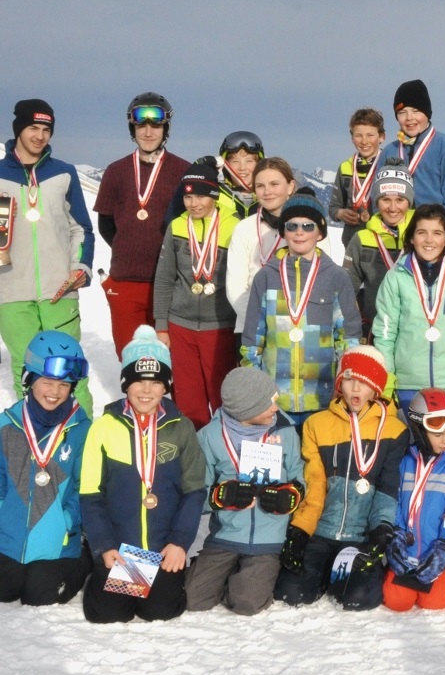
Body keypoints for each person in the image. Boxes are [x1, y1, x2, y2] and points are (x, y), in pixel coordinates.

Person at [79, 326, 206, 623]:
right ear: (126, 383)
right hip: (121, 549)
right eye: (138, 381)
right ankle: (95, 569)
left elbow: (194, 491)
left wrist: (179, 542)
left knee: (159, 612)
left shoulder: (181, 427)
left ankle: (159, 577)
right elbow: (90, 495)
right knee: (109, 614)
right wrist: (105, 546)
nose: (147, 390)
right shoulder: (104, 427)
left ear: (166, 386)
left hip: (163, 549)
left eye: (156, 381)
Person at [274, 346, 407, 611]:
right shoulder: (316, 425)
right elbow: (315, 483)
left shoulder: (394, 430)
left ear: (376, 389)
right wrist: (301, 531)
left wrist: (380, 531)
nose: (355, 388)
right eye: (349, 380)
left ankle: (347, 576)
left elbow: (387, 489)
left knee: (358, 598)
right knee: (291, 593)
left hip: (359, 536)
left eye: (364, 382)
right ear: (338, 383)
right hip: (322, 531)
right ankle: (320, 572)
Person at [0, 99, 95, 416]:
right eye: (33, 128)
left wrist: (80, 268)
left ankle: (81, 433)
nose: (40, 136)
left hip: (60, 289)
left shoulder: (63, 173)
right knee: (26, 368)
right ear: (18, 130)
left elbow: (81, 228)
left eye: (46, 129)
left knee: (70, 366)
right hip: (11, 291)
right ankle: (30, 436)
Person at [240, 190, 362, 434]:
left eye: (308, 226)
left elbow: (348, 338)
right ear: (283, 231)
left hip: (322, 396)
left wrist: (345, 384)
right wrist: (257, 391)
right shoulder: (266, 277)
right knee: (281, 454)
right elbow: (253, 339)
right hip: (275, 399)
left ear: (320, 232)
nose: (299, 232)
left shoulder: (336, 277)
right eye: (292, 225)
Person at [186, 367, 304, 615]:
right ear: (246, 410)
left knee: (247, 602)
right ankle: (222, 574)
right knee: (194, 599)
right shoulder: (209, 437)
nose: (275, 408)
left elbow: (300, 475)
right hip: (226, 534)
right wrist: (220, 496)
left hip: (268, 538)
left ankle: (252, 580)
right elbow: (195, 493)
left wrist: (292, 494)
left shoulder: (285, 431)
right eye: (269, 404)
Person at [371, 204, 445, 423]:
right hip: (408, 385)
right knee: (410, 443)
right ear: (411, 238)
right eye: (421, 232)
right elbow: (385, 333)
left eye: (437, 233)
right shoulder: (396, 277)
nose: (429, 240)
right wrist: (386, 378)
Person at [93, 92, 190, 357]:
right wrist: (128, 248)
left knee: (169, 358)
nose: (148, 133)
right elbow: (106, 225)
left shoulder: (183, 170)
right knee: (131, 356)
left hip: (171, 283)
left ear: (166, 129)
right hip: (126, 281)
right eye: (141, 126)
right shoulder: (116, 171)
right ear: (132, 129)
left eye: (156, 126)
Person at [0, 332, 92, 606]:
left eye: (64, 384)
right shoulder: (6, 426)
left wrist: (65, 521)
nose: (55, 392)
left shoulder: (82, 431)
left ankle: (86, 559)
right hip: (9, 539)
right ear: (29, 379)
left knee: (39, 595)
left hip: (58, 541)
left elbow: (86, 488)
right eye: (47, 381)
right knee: (4, 590)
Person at [152, 161, 241, 430]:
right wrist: (161, 325)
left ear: (215, 195)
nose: (194, 204)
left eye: (201, 196)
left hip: (220, 325)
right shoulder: (177, 226)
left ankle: (224, 444)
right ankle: (194, 446)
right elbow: (164, 278)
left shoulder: (235, 226)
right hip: (180, 324)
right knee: (188, 397)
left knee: (222, 393)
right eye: (188, 197)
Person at [382, 388, 445, 612]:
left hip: (438, 552)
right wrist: (396, 534)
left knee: (435, 603)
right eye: (438, 434)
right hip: (409, 552)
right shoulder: (405, 462)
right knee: (396, 602)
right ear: (420, 431)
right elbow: (396, 501)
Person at [376, 80, 445, 231]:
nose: (409, 118)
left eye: (416, 111)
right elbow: (377, 194)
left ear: (427, 113)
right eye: (402, 113)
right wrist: (386, 228)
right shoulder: (389, 151)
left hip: (437, 231)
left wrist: (440, 229)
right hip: (396, 231)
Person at [226, 157, 298, 337]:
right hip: (251, 328)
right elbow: (235, 287)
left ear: (290, 186)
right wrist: (261, 323)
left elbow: (320, 279)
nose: (267, 192)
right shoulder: (244, 228)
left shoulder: (306, 227)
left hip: (297, 329)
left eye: (274, 184)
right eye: (260, 186)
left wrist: (289, 324)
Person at [342, 166, 415, 341]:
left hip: (415, 332)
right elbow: (347, 288)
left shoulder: (420, 235)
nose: (392, 208)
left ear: (409, 202)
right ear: (376, 202)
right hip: (375, 330)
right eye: (385, 199)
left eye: (400, 200)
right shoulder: (361, 239)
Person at [164, 132, 265, 223]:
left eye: (249, 161)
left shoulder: (267, 193)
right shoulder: (213, 192)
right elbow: (173, 218)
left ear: (259, 163)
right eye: (235, 161)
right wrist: (194, 172)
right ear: (225, 163)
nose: (242, 168)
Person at [330, 108, 386, 247]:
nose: (364, 141)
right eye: (358, 135)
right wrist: (340, 213)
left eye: (370, 135)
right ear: (352, 138)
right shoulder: (345, 168)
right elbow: (333, 207)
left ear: (381, 137)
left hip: (384, 243)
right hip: (352, 242)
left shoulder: (388, 167)